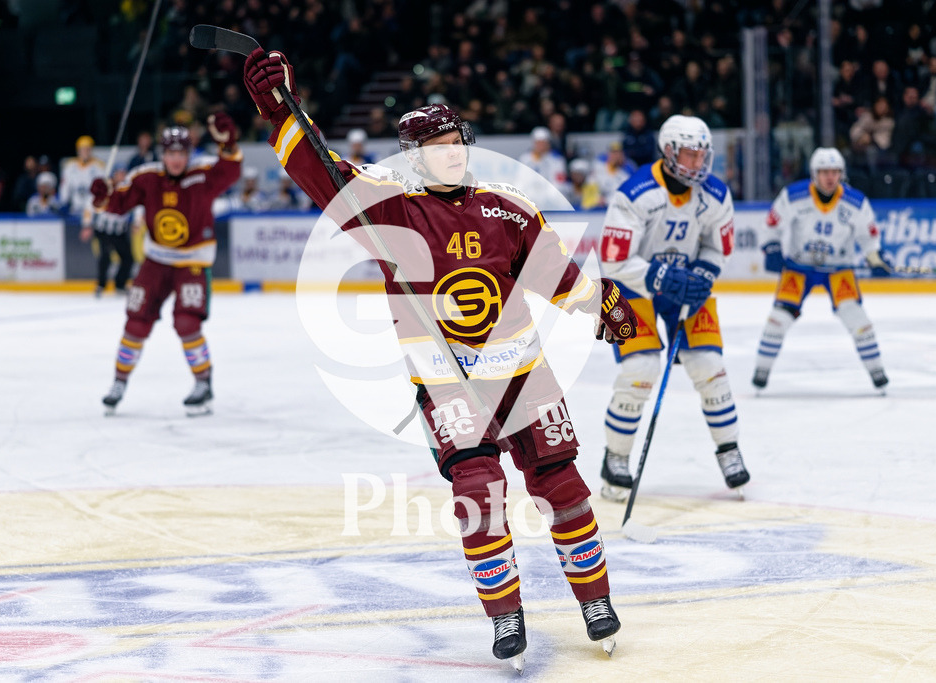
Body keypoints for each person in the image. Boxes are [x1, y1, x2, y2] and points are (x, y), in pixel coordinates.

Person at [242, 49, 638, 668]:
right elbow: (325, 174)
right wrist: (277, 109)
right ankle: (506, 615)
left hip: (524, 377)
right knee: (478, 494)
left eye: (458, 141)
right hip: (447, 384)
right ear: (414, 156)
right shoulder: (390, 209)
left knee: (563, 485)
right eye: (438, 145)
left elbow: (556, 273)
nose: (453, 152)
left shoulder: (508, 205)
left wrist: (600, 303)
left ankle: (595, 602)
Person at [598, 114, 750, 501]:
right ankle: (615, 458)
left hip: (686, 288)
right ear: (668, 152)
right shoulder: (634, 194)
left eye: (702, 155)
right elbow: (614, 262)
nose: (698, 163)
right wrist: (663, 278)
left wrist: (701, 275)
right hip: (633, 290)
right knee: (640, 368)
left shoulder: (715, 195)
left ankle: (729, 449)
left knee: (709, 368)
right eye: (689, 154)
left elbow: (720, 248)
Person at [91, 113, 242, 416]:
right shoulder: (147, 177)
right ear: (163, 154)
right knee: (135, 321)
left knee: (187, 322)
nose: (176, 159)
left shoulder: (202, 175)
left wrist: (228, 143)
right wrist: (103, 197)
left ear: (189, 154)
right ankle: (119, 382)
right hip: (156, 260)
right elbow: (117, 202)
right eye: (171, 153)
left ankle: (203, 383)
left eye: (181, 153)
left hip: (193, 262)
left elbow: (230, 171)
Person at [752, 147, 891, 391]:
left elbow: (868, 238)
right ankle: (761, 371)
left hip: (839, 270)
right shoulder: (794, 196)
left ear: (842, 174)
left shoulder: (855, 202)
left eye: (835, 172)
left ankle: (877, 372)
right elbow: (771, 226)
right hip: (798, 268)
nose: (830, 177)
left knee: (858, 320)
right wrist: (772, 248)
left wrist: (875, 258)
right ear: (814, 174)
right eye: (824, 172)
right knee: (777, 320)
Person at [82, 166, 135, 296]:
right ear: (114, 175)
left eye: (124, 173)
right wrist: (87, 225)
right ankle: (101, 284)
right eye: (119, 173)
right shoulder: (105, 187)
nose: (122, 176)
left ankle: (120, 284)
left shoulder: (130, 189)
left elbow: (137, 205)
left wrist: (138, 222)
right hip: (103, 230)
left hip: (120, 231)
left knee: (128, 258)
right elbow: (90, 206)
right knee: (105, 256)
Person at [61, 136, 106, 216]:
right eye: (83, 149)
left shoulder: (99, 167)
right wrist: (64, 202)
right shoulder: (70, 167)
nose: (85, 152)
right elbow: (65, 187)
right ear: (78, 150)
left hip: (92, 211)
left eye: (87, 149)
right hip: (75, 209)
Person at [518, 126, 568, 194]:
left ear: (548, 143)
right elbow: (520, 180)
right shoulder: (524, 159)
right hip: (530, 195)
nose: (541, 145)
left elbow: (560, 183)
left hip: (550, 196)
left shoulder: (557, 159)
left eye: (543, 142)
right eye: (538, 142)